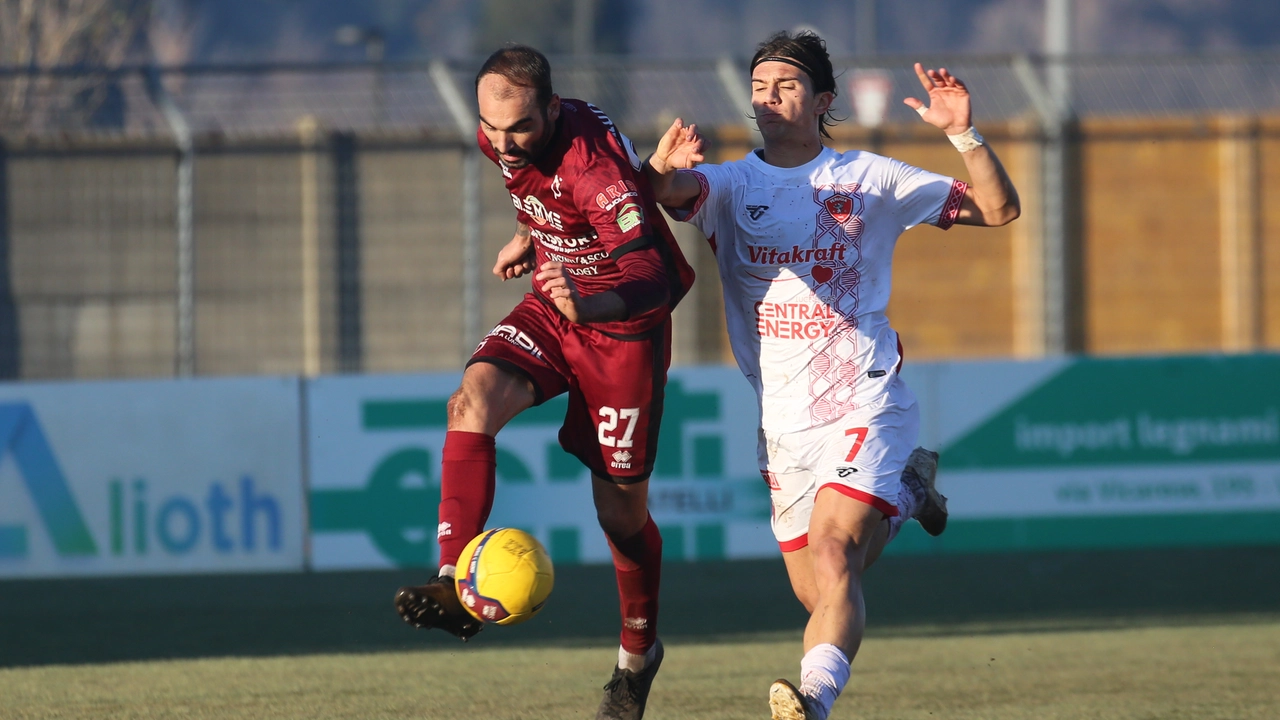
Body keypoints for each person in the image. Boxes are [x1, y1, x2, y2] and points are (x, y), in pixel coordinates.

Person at [644, 31, 1019, 720]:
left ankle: (812, 702)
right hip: (782, 423)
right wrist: (656, 168)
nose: (768, 99)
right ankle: (909, 489)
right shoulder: (732, 186)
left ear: (821, 101)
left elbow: (998, 209)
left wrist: (965, 134)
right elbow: (667, 192)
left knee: (833, 553)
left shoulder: (872, 179)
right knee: (819, 591)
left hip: (864, 397)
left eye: (784, 86)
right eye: (759, 88)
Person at [394, 44, 695, 720]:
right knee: (470, 401)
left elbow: (647, 275)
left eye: (519, 128)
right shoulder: (501, 134)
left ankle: (637, 656)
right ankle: (453, 582)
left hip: (620, 330)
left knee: (620, 515)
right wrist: (533, 230)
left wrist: (585, 304)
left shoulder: (595, 171)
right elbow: (538, 185)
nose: (503, 142)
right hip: (555, 304)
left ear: (552, 110)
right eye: (491, 127)